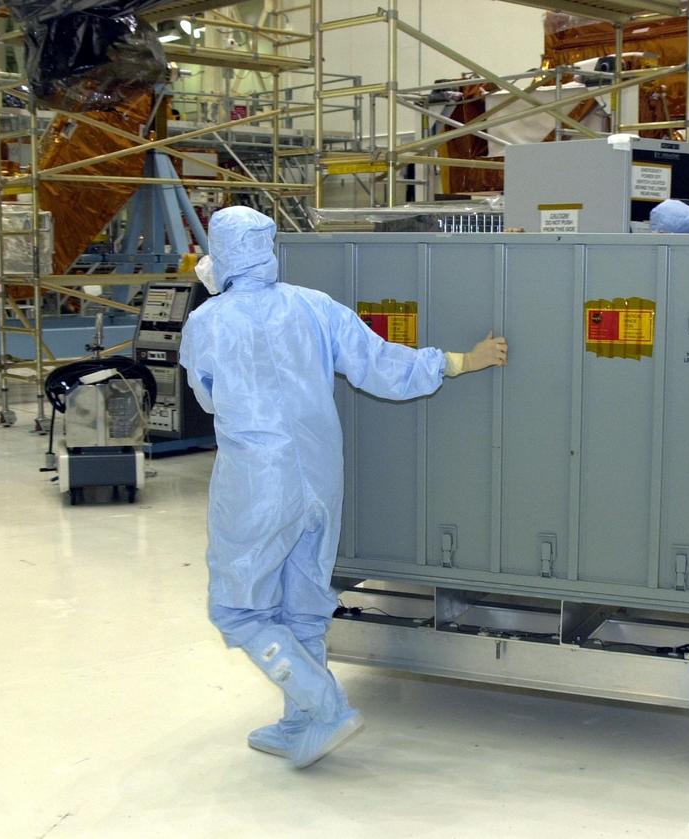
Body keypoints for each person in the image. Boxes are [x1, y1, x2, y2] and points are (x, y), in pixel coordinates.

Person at [179, 206, 508, 768]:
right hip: (318, 475)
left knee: (239, 610)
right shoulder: (313, 305)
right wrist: (460, 362)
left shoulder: (208, 322)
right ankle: (298, 722)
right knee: (303, 606)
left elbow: (207, 397)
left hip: (259, 482)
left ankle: (324, 707)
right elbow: (380, 364)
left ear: (222, 252)